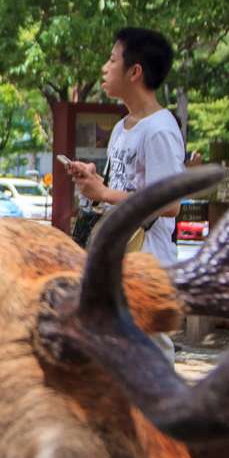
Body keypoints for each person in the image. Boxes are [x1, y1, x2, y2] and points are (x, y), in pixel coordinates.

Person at [64, 27, 185, 348]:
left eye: (112, 59)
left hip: (148, 262)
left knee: (149, 351)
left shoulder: (159, 129)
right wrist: (94, 182)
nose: (104, 67)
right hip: (118, 256)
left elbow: (170, 204)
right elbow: (123, 190)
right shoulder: (122, 127)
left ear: (135, 71)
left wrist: (104, 193)